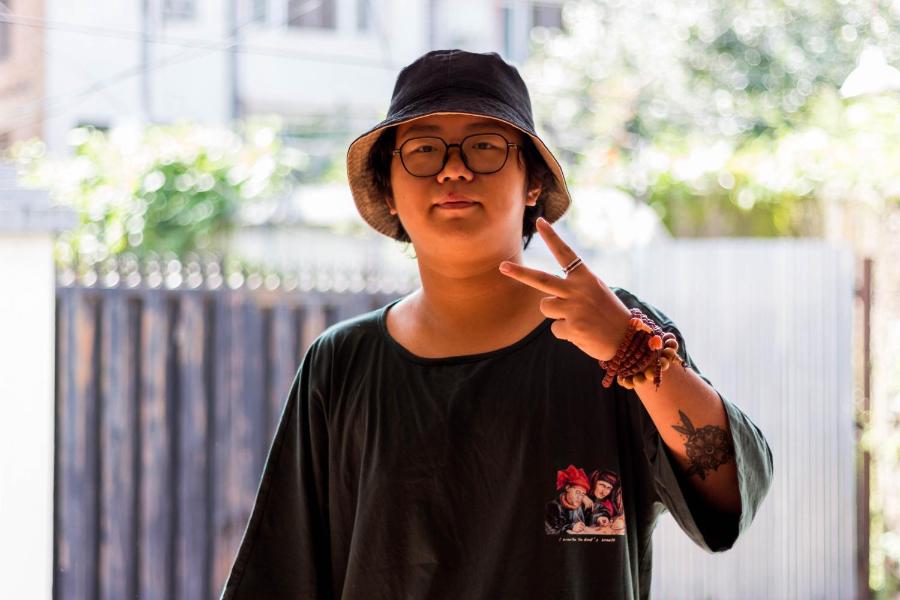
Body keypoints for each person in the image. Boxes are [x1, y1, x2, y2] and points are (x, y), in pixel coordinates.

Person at [220, 49, 773, 600]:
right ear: (388, 189)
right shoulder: (341, 364)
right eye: (423, 149)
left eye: (484, 146)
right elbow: (280, 575)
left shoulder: (616, 335)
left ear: (532, 184)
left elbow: (730, 500)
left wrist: (634, 353)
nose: (453, 169)